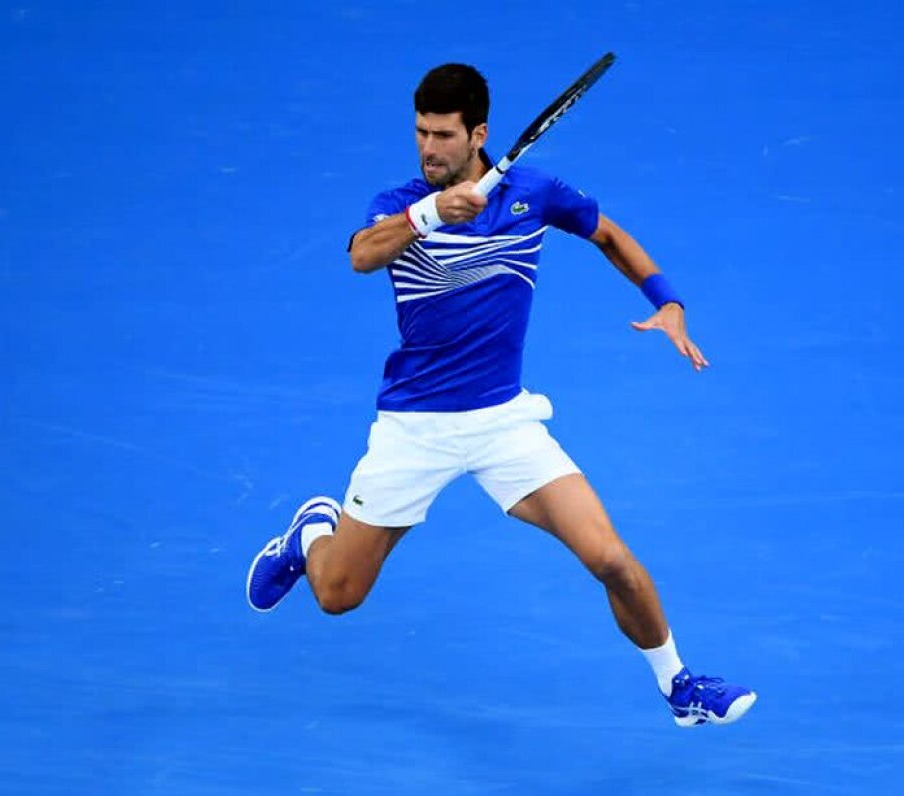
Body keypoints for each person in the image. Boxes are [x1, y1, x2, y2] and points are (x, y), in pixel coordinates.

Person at [246, 63, 756, 727]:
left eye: (443, 136)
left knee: (612, 559)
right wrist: (429, 213)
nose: (428, 149)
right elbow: (362, 255)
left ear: (478, 134)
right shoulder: (399, 202)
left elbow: (606, 232)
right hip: (414, 428)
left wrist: (667, 301)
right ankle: (313, 529)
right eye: (420, 134)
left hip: (502, 423)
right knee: (338, 595)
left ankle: (679, 686)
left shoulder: (532, 194)